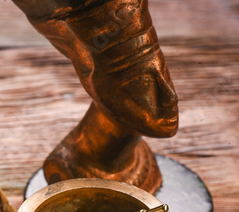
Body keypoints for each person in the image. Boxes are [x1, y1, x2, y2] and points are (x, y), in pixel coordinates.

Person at [12, 0, 179, 193]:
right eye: (143, 82)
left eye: (164, 71)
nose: (170, 96)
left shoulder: (140, 162)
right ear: (92, 77)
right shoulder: (66, 167)